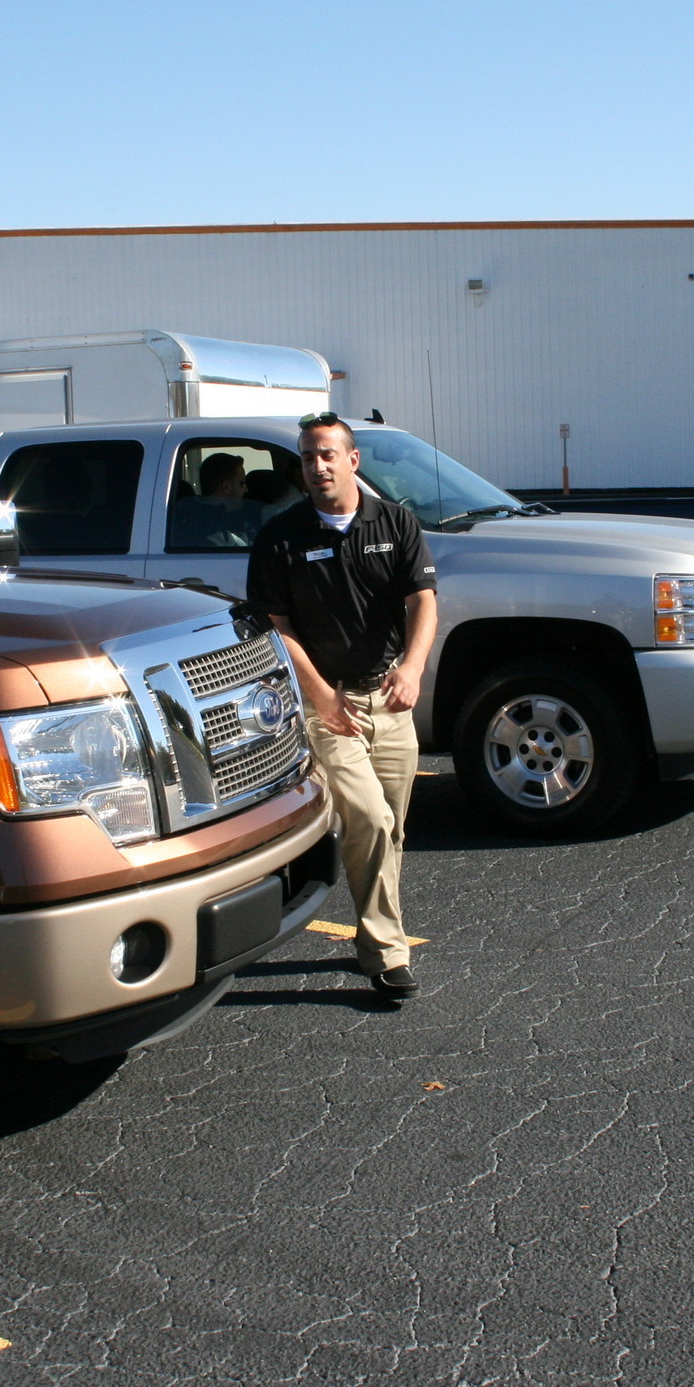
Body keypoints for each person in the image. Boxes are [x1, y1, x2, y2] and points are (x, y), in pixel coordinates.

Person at [248, 412, 439, 1000]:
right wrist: (321, 698)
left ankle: (373, 939)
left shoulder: (396, 522)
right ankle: (387, 953)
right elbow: (276, 629)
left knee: (393, 828)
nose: (318, 466)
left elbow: (424, 601)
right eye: (308, 457)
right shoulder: (281, 538)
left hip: (389, 697)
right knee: (370, 819)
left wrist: (411, 669)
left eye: (328, 454)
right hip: (328, 706)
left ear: (353, 460)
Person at [167, 452, 263, 548]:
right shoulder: (202, 526)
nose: (246, 490)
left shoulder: (225, 516)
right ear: (226, 487)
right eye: (242, 483)